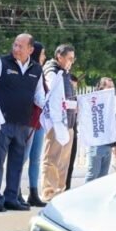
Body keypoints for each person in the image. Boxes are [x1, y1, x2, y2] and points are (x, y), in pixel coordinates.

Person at [0, 33, 45, 212]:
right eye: (15, 45)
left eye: (21, 46)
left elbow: (39, 96)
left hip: (24, 123)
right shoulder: (1, 63)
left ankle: (11, 197)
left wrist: (51, 107)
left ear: (30, 49)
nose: (16, 49)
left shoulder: (37, 69)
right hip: (2, 122)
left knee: (17, 162)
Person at [41, 44, 77, 201]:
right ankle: (49, 192)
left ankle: (60, 192)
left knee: (63, 162)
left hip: (68, 123)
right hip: (56, 123)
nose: (71, 62)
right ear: (59, 57)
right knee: (52, 159)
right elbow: (53, 95)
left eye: (73, 59)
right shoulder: (52, 71)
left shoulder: (66, 74)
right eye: (69, 58)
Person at [22, 41, 48, 207]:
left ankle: (33, 192)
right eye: (43, 53)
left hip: (39, 121)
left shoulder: (41, 73)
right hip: (29, 121)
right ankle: (15, 190)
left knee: (36, 158)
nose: (44, 57)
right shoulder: (29, 71)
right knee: (23, 156)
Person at [85, 77, 116, 183]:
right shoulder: (93, 102)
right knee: (92, 175)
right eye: (109, 87)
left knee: (103, 178)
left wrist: (114, 145)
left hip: (108, 145)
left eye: (113, 87)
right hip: (96, 144)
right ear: (101, 88)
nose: (112, 90)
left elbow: (112, 126)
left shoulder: (111, 104)